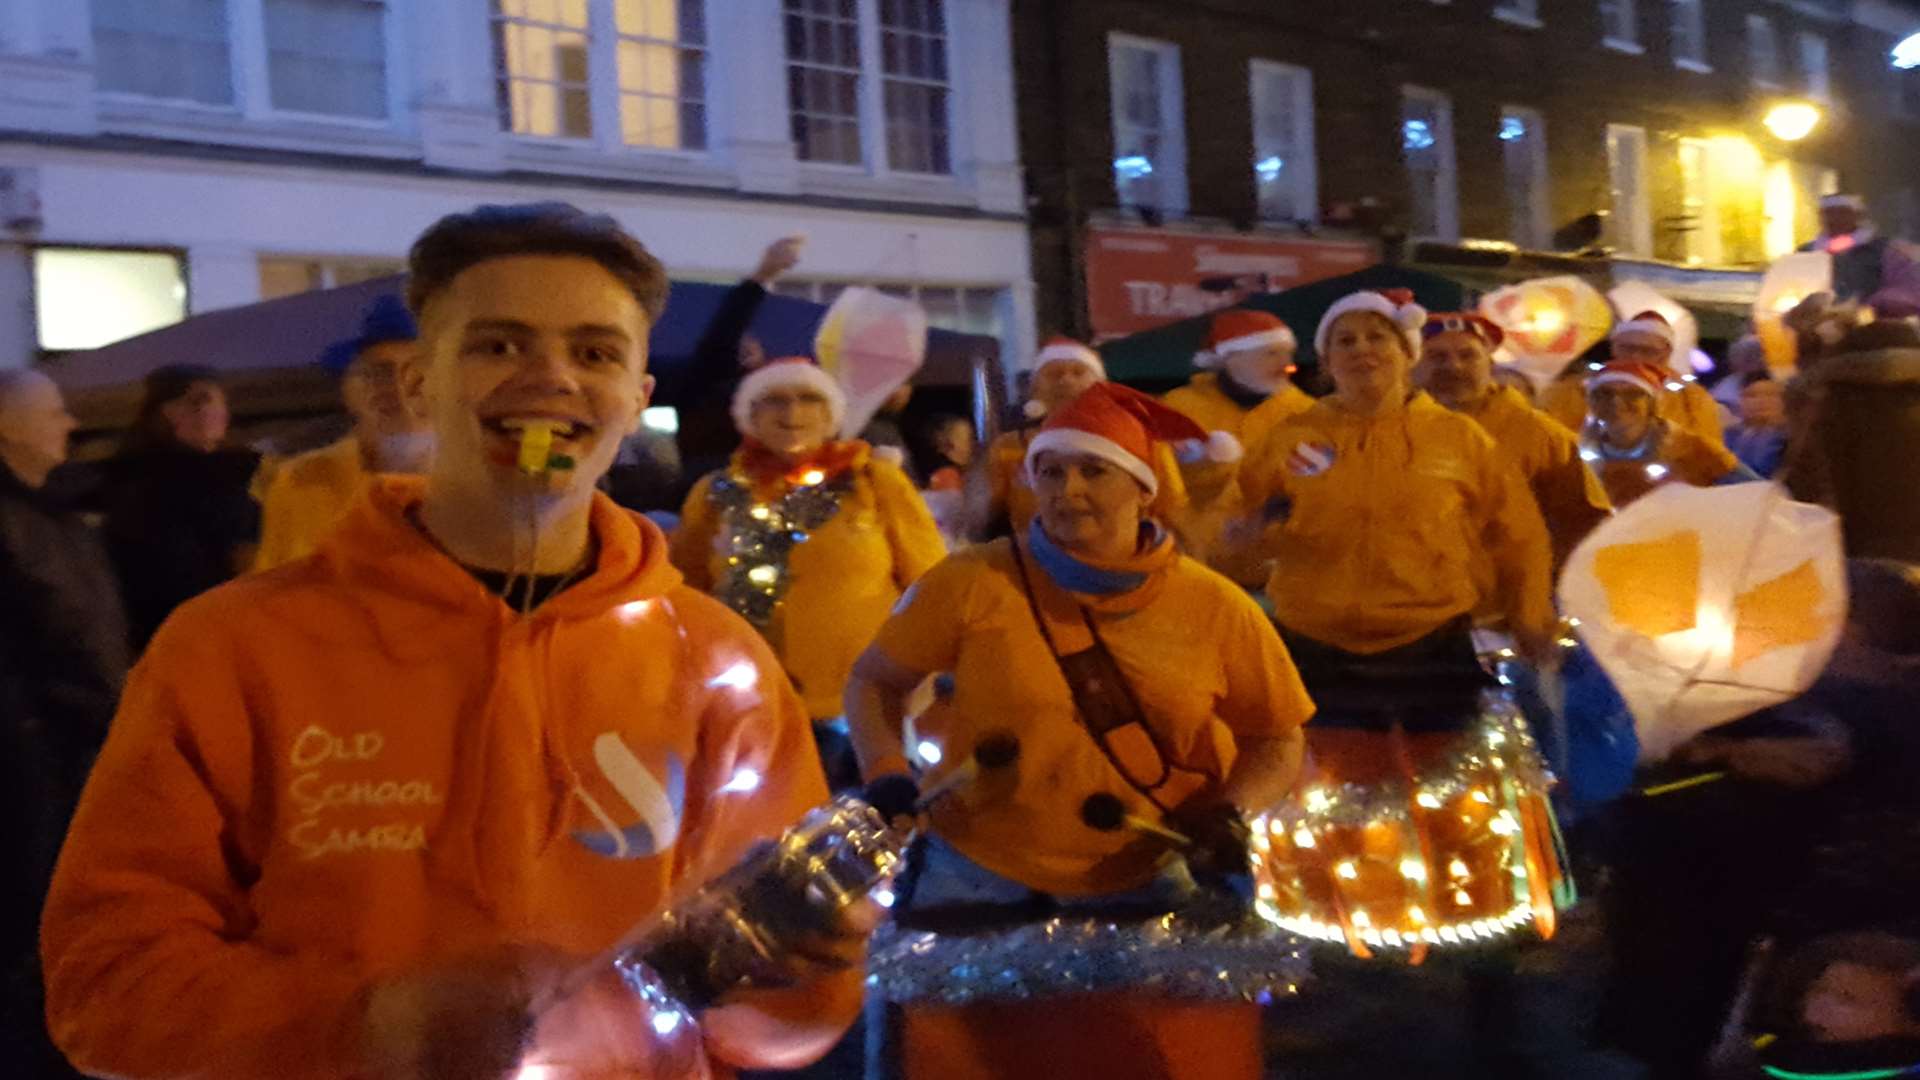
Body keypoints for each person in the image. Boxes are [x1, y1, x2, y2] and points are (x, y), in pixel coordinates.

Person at [41, 202, 865, 1080]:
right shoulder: (232, 649)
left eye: (595, 353)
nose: (550, 378)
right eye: (498, 345)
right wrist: (372, 1026)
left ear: (635, 401)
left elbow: (767, 1030)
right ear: (421, 381)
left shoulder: (717, 661)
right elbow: (107, 982)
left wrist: (802, 981)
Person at [845, 380, 1312, 1079]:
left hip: (1151, 878)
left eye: (1094, 471)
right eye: (1050, 472)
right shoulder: (970, 582)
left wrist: (1231, 812)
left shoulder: (1217, 607)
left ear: (1144, 490)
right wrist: (885, 771)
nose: (1067, 490)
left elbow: (1276, 737)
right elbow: (875, 681)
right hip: (975, 875)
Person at [1239, 289, 1558, 663]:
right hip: (1310, 639)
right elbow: (1231, 523)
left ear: (1408, 353)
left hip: (1434, 637)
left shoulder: (1461, 438)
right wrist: (1240, 535)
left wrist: (1530, 620)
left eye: (1377, 337)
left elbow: (1519, 537)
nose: (1361, 348)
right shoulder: (1287, 438)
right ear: (1327, 361)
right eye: (1345, 340)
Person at [671, 356, 946, 791]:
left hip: (864, 706)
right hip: (754, 704)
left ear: (831, 414)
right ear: (749, 416)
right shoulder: (715, 494)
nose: (792, 413)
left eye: (809, 399)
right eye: (774, 401)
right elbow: (685, 592)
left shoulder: (873, 481)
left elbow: (931, 584)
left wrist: (924, 675)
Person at [0, 370, 128, 1080]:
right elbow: (69, 637)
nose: (70, 424)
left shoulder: (46, 516)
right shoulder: (24, 522)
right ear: (8, 427)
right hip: (35, 757)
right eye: (53, 412)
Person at [1418, 312, 1611, 572]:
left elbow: (1585, 522)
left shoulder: (1541, 435)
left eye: (1468, 355)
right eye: (1437, 357)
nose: (1454, 367)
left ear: (1490, 361)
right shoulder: (1393, 429)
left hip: (1500, 600)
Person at [252, 295, 433, 571]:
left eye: (419, 372)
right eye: (379, 372)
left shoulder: (494, 482)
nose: (398, 387)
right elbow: (273, 587)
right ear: (349, 389)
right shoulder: (301, 482)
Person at [98, 364, 261, 649]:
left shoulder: (241, 475)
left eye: (214, 401)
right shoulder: (145, 485)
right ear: (165, 412)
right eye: (198, 402)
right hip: (194, 629)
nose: (211, 412)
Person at [1163, 309, 1310, 579]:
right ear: (1232, 357)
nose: (1286, 364)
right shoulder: (1178, 410)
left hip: (1277, 576)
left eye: (1288, 354)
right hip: (1194, 571)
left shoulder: (1306, 415)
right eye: (1271, 354)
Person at [662, 236, 806, 502]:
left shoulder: (773, 393)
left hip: (760, 489)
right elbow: (723, 335)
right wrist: (762, 276)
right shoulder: (703, 383)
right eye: (742, 342)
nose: (748, 347)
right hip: (712, 486)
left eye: (754, 343)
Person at [1581, 358, 1754, 509]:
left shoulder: (1693, 449)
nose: (1616, 402)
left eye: (1633, 394)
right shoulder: (1578, 454)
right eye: (1604, 394)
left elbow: (1754, 492)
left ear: (1652, 404)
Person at [1542, 311, 1727, 449]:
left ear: (1666, 353)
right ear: (1614, 348)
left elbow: (1707, 450)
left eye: (1647, 351)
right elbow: (1551, 438)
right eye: (1628, 348)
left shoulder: (1692, 399)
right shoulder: (1574, 389)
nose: (1635, 357)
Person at [1798, 193, 1920, 317]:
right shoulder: (1805, 253)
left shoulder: (1886, 250)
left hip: (1873, 325)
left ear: (1857, 215)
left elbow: (1909, 288)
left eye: (1842, 213)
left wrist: (1872, 304)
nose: (1835, 219)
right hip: (1813, 327)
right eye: (1829, 213)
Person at [1723, 374, 1788, 479]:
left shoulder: (1793, 437)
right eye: (1752, 395)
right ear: (1740, 401)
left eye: (1770, 394)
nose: (1761, 401)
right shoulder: (1727, 437)